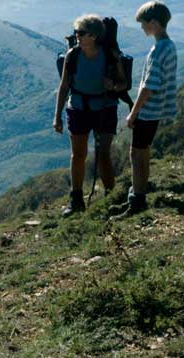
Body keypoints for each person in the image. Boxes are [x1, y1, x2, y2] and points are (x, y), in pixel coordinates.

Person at [54, 14, 127, 216]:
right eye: (76, 31)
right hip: (78, 108)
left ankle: (112, 196)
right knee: (78, 155)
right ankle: (75, 199)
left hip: (105, 108)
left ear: (93, 36)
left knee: (103, 155)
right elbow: (63, 87)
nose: (76, 36)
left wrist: (112, 85)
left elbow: (123, 84)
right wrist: (57, 116)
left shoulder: (110, 55)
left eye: (81, 33)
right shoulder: (72, 55)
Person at [110, 1, 177, 218]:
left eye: (143, 23)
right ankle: (136, 196)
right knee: (141, 152)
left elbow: (149, 85)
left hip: (148, 110)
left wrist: (133, 112)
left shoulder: (158, 50)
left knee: (137, 155)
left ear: (154, 23)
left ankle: (137, 200)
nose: (141, 28)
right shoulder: (169, 45)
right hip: (157, 110)